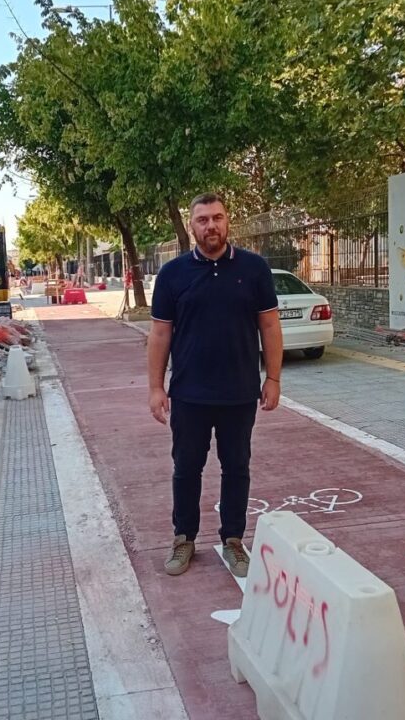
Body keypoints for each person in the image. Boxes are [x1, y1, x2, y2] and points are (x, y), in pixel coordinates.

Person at [147, 193, 283, 578]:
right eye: (203, 219)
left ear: (228, 221)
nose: (211, 226)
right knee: (186, 468)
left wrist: (273, 378)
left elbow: (270, 326)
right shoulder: (173, 274)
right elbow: (160, 334)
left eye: (217, 217)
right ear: (192, 226)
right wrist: (156, 387)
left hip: (240, 392)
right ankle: (184, 538)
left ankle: (233, 540)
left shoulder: (254, 269)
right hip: (189, 394)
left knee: (237, 467)